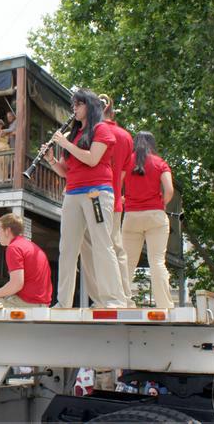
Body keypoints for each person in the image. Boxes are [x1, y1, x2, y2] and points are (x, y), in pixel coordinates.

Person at [50, 88, 124, 308]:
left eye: (78, 104)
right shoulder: (74, 134)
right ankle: (63, 302)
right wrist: (51, 160)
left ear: (89, 106)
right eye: (73, 105)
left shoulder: (101, 129)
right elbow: (65, 171)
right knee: (67, 249)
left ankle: (114, 300)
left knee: (103, 245)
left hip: (97, 192)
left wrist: (64, 144)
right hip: (72, 193)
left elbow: (92, 159)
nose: (74, 108)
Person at [79, 98, 135, 307]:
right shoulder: (126, 137)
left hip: (93, 196)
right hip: (113, 200)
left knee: (92, 247)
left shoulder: (93, 132)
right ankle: (125, 297)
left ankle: (102, 299)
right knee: (115, 249)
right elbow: (122, 174)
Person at [122, 131, 175, 308]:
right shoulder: (160, 163)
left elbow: (116, 184)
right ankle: (164, 304)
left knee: (127, 262)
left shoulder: (126, 161)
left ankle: (124, 301)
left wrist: (124, 200)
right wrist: (162, 203)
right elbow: (169, 190)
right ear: (152, 144)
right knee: (157, 261)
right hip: (155, 215)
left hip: (131, 216)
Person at [0, 213, 52, 308]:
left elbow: (17, 284)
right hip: (42, 305)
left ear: (7, 231)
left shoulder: (13, 248)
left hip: (26, 303)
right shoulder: (33, 247)